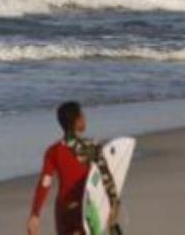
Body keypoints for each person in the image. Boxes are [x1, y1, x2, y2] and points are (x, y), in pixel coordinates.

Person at [27, 101, 119, 235]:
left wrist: (35, 214)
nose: (85, 118)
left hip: (63, 210)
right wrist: (114, 204)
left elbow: (45, 183)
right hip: (84, 209)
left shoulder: (53, 151)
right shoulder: (91, 146)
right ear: (77, 121)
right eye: (82, 115)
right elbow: (106, 177)